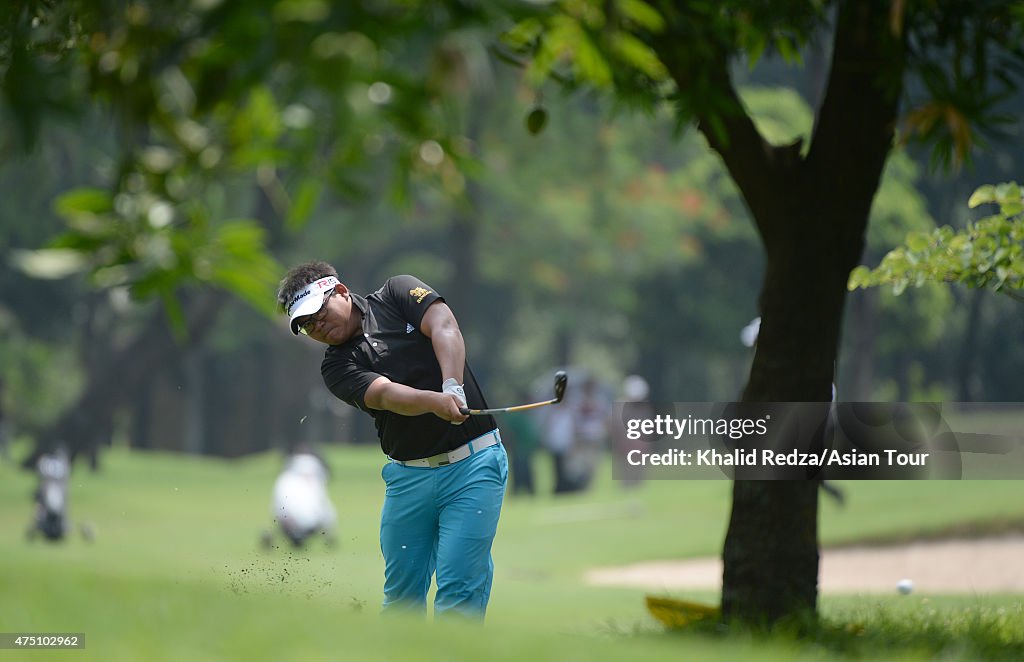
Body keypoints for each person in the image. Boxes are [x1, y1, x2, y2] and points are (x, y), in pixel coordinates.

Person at [276, 262, 507, 619]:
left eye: (318, 314)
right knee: (401, 598)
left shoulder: (398, 293)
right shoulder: (335, 367)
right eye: (306, 326)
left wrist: (451, 386)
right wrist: (436, 402)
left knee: (459, 589)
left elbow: (444, 325)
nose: (316, 327)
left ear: (339, 291)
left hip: (473, 466)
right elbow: (385, 395)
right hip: (408, 478)